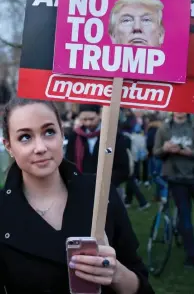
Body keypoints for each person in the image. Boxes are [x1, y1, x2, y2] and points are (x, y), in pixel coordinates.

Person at [0, 97, 154, 294]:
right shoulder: (4, 211)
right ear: (9, 146)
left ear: (62, 133)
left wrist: (117, 274)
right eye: (25, 137)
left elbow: (142, 285)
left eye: (49, 132)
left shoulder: (100, 192)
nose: (40, 148)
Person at [153, 112, 194, 268]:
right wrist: (165, 149)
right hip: (176, 180)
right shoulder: (164, 129)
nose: (180, 111)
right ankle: (191, 255)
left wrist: (191, 153)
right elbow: (156, 152)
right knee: (185, 219)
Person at [65, 105, 130, 188]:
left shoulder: (113, 135)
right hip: (81, 186)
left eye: (92, 119)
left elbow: (123, 167)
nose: (88, 123)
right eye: (84, 119)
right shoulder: (75, 136)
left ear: (99, 115)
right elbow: (69, 162)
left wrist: (104, 182)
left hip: (108, 188)